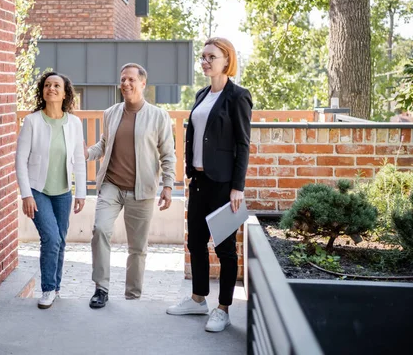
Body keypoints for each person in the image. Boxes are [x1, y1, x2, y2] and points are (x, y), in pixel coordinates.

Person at [166, 37, 252, 332]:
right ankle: (198, 299)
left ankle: (224, 308)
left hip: (224, 184)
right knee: (195, 243)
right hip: (199, 181)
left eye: (210, 56)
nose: (204, 61)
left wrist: (237, 187)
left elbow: (243, 144)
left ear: (226, 60)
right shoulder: (202, 94)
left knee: (226, 248)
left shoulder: (238, 96)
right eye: (202, 56)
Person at [85, 63, 176, 309]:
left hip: (141, 190)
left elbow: (168, 154)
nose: (125, 84)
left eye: (131, 80)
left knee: (137, 247)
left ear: (143, 83)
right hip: (111, 185)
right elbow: (103, 144)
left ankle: (132, 296)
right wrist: (86, 153)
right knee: (100, 230)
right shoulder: (111, 113)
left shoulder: (158, 116)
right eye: (123, 79)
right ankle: (101, 288)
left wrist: (168, 185)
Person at [16, 71, 86, 309]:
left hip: (63, 192)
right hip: (38, 190)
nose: (51, 88)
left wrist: (81, 193)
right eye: (47, 85)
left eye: (57, 85)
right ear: (43, 91)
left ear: (65, 92)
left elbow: (79, 158)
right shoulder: (32, 121)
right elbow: (20, 160)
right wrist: (26, 194)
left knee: (61, 240)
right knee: (51, 238)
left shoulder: (74, 123)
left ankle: (56, 287)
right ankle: (47, 289)